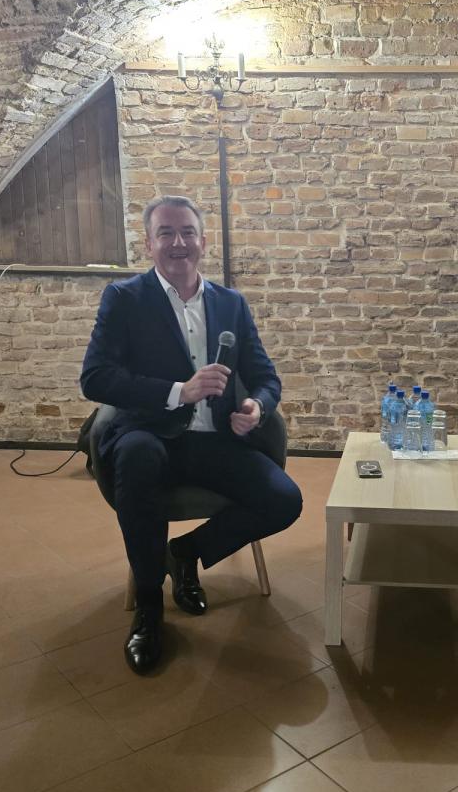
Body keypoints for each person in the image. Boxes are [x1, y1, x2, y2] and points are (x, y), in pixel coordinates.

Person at [81, 195, 302, 674]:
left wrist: (256, 407)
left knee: (285, 500)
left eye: (186, 232)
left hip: (214, 440)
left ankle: (185, 554)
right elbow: (95, 378)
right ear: (149, 244)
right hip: (149, 433)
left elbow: (265, 377)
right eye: (166, 233)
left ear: (203, 241)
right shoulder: (125, 299)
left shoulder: (230, 303)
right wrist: (178, 392)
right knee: (137, 457)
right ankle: (149, 608)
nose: (177, 242)